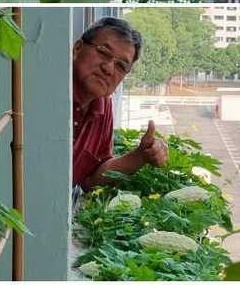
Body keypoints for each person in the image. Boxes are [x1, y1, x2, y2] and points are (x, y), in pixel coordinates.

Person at [72, 17, 169, 190]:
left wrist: (140, 156)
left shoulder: (103, 104)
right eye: (103, 52)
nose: (108, 68)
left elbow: (92, 177)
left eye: (121, 66)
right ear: (77, 49)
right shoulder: (51, 94)